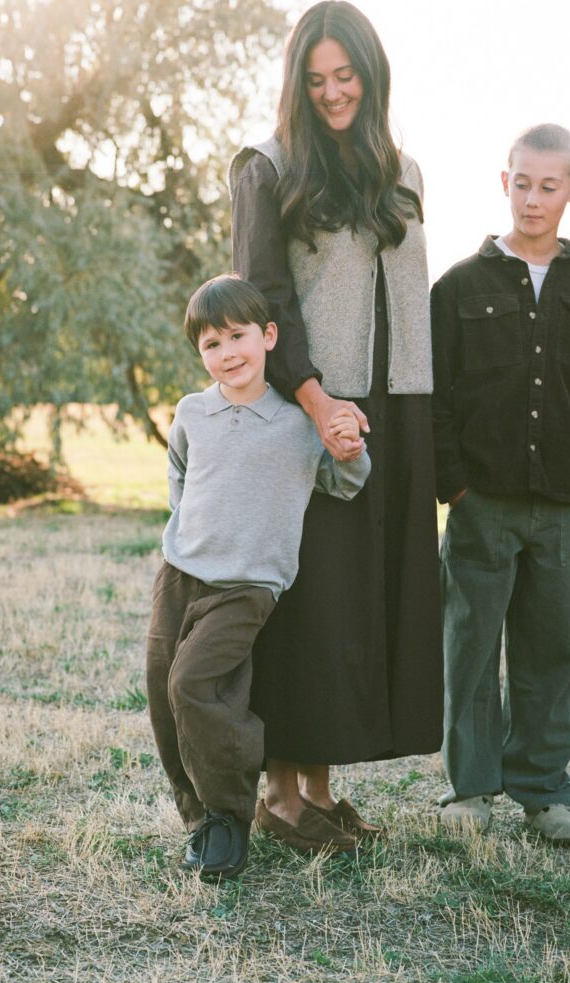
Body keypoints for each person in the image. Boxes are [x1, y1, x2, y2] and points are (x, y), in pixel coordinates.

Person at [228, 0, 443, 847]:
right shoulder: (269, 168)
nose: (331, 92)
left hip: (396, 406)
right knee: (310, 604)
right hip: (309, 407)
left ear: (371, 74)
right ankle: (280, 796)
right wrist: (317, 403)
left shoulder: (403, 170)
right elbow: (262, 301)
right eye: (315, 79)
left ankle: (318, 791)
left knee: (358, 605)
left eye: (345, 75)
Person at [146, 274, 371, 880]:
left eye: (237, 336)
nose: (227, 353)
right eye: (211, 344)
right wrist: (187, 532)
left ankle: (230, 813)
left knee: (196, 685)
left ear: (269, 336)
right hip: (181, 572)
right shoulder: (193, 412)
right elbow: (179, 475)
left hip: (247, 586)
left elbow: (344, 483)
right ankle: (200, 820)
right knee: (164, 692)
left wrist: (351, 448)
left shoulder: (297, 423)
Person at [432, 124, 570, 842]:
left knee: (553, 650)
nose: (533, 199)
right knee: (470, 645)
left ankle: (545, 790)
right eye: (522, 183)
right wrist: (454, 485)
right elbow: (435, 395)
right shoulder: (459, 285)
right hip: (480, 502)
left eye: (549, 186)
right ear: (504, 182)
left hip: (566, 506)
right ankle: (471, 789)